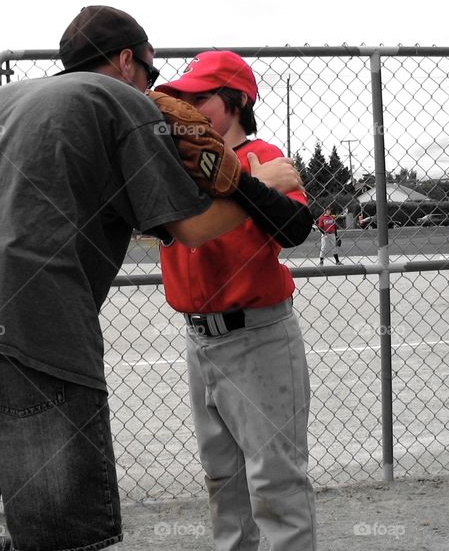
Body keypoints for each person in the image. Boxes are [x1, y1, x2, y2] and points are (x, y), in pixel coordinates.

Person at [0, 6, 305, 551]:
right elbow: (194, 226)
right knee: (59, 530)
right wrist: (256, 180)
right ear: (129, 61)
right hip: (30, 324)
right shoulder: (120, 101)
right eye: (152, 76)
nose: (155, 93)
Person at [154, 50, 317, 551]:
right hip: (198, 338)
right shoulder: (173, 168)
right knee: (221, 480)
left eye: (201, 97)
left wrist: (245, 182)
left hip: (258, 335)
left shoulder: (261, 154)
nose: (187, 106)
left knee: (274, 482)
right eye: (183, 97)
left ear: (237, 100)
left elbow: (295, 229)